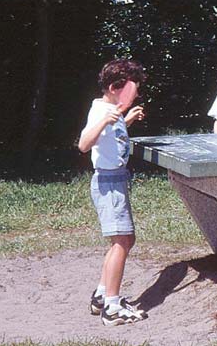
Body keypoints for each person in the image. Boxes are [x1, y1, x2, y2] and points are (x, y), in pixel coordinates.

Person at [78, 59, 149, 325]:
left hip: (117, 179)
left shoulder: (112, 110)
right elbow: (84, 144)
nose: (137, 94)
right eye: (133, 89)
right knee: (121, 242)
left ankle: (101, 296)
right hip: (108, 184)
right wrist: (105, 120)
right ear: (114, 87)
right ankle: (112, 308)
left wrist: (124, 120)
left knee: (125, 240)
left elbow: (110, 139)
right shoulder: (102, 111)